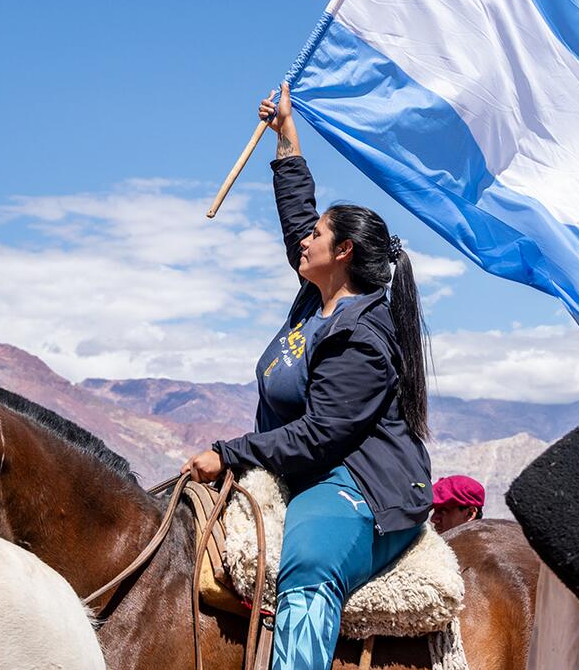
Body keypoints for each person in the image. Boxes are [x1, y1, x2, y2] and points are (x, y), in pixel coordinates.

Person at [184, 84, 433, 670]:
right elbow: (299, 215)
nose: (305, 239)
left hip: (353, 480)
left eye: (318, 236)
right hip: (304, 462)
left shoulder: (361, 337)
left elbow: (322, 435)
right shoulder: (316, 299)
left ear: (343, 250)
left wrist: (230, 452)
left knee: (307, 567)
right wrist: (286, 138)